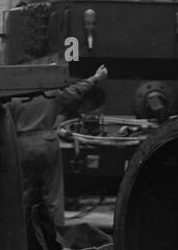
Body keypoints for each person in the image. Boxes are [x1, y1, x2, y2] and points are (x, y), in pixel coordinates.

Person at [9, 66, 108, 228]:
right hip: (47, 143)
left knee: (23, 194)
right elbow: (76, 91)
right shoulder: (51, 94)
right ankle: (58, 241)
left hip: (22, 145)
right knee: (53, 195)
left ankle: (22, 236)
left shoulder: (13, 98)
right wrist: (96, 77)